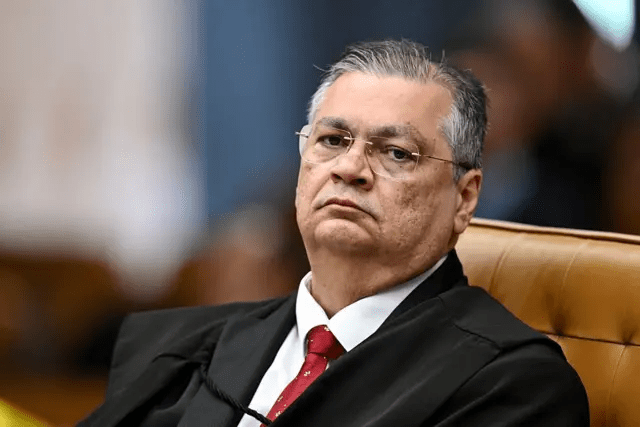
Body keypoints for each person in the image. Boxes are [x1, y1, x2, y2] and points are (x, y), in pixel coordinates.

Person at [79, 39, 589, 427]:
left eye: (396, 153)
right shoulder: (187, 350)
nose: (349, 168)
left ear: (464, 197)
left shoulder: (511, 385)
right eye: (332, 140)